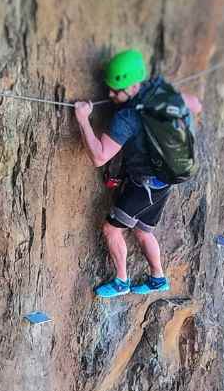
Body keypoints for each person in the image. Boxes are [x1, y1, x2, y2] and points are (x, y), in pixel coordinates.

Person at [73, 49, 203, 298]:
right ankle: (158, 278)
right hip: (166, 179)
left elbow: (99, 157)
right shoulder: (161, 94)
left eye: (115, 90)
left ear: (132, 86)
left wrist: (83, 119)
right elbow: (196, 104)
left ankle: (121, 281)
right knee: (143, 231)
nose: (110, 95)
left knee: (112, 229)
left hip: (143, 186)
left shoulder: (128, 117)